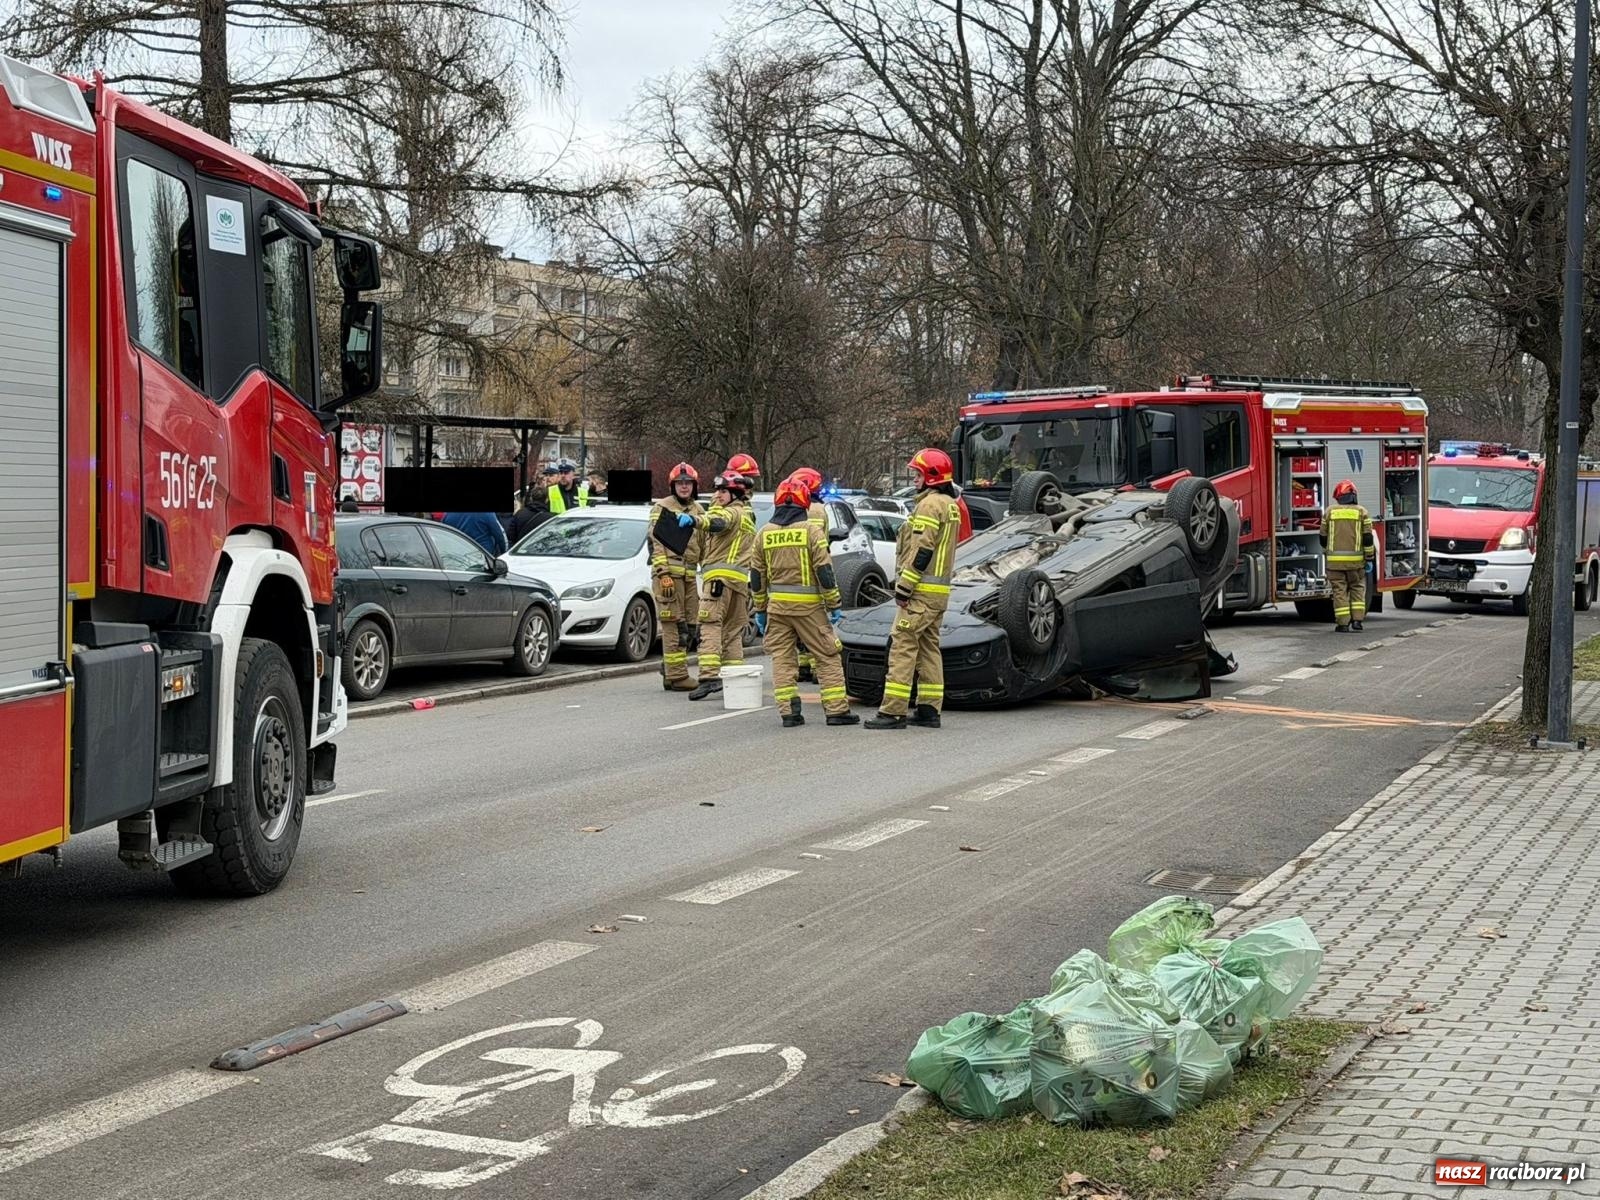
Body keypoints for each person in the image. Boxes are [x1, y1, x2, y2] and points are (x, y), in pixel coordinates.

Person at [865, 448, 963, 730]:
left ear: (931, 477)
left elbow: (922, 550)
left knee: (903, 645)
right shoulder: (950, 504)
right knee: (929, 647)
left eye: (918, 473)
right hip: (938, 593)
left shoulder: (930, 505)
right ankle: (929, 710)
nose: (914, 478)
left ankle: (892, 712)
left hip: (921, 591)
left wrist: (905, 587)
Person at [751, 476, 858, 728]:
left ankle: (789, 713)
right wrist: (833, 604)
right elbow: (824, 570)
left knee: (782, 659)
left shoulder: (763, 534)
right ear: (804, 504)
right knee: (827, 655)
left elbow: (756, 576)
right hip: (809, 608)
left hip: (777, 609)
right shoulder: (811, 531)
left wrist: (760, 609)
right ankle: (836, 711)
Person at [680, 471, 755, 700]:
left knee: (710, 626)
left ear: (734, 494)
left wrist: (694, 520)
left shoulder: (731, 513)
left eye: (723, 491)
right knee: (732, 632)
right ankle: (733, 677)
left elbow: (717, 523)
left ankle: (709, 677)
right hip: (740, 584)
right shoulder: (748, 514)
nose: (718, 495)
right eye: (717, 490)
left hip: (718, 582)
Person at [648, 462, 705, 691]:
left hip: (690, 576)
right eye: (680, 483)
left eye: (688, 483)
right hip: (669, 575)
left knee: (691, 627)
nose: (684, 487)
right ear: (673, 485)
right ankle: (678, 676)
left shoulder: (698, 511)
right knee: (674, 625)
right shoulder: (663, 507)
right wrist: (663, 574)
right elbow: (656, 542)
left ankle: (669, 670)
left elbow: (703, 543)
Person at [788, 466, 828, 682]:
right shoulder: (818, 510)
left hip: (793, 572)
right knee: (815, 624)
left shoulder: (793, 509)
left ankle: (803, 666)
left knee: (797, 625)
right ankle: (814, 667)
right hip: (812, 574)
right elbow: (821, 545)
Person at [1322, 478, 1376, 632]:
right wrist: (1369, 557)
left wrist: (1326, 551)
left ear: (1339, 497)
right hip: (1356, 563)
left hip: (1335, 564)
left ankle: (1343, 624)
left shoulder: (1329, 512)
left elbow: (1322, 537)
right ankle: (1357, 622)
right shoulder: (1362, 512)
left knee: (1340, 591)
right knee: (1357, 589)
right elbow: (1367, 538)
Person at [442, 510, 508, 557]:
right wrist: (504, 552)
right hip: (483, 553)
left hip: (458, 556)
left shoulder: (448, 514)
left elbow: (443, 534)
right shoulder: (487, 513)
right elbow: (499, 534)